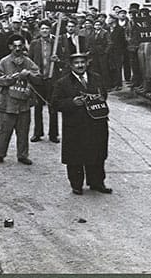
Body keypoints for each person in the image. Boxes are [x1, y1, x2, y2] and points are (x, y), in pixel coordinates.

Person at [52, 52, 112, 195]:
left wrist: (98, 98)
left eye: (82, 62)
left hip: (96, 123)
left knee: (97, 153)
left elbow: (104, 94)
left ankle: (97, 182)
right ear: (71, 65)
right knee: (75, 156)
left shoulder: (96, 78)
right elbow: (55, 103)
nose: (80, 65)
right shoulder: (63, 82)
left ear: (87, 63)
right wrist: (71, 102)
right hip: (75, 125)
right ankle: (76, 184)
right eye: (76, 63)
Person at [0, 34, 41, 166]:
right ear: (10, 47)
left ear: (23, 47)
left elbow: (38, 76)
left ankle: (22, 155)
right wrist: (14, 77)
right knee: (3, 131)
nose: (17, 49)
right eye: (14, 46)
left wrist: (29, 74)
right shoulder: (4, 62)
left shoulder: (28, 62)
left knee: (23, 132)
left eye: (20, 46)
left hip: (23, 104)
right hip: (7, 103)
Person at [28, 20, 60, 143]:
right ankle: (37, 133)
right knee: (38, 107)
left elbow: (64, 59)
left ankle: (53, 134)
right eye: (42, 29)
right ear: (39, 31)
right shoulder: (34, 43)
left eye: (47, 28)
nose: (45, 31)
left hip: (52, 79)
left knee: (53, 106)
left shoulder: (56, 43)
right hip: (39, 79)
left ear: (50, 30)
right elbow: (29, 60)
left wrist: (57, 59)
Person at [86, 19, 111, 89]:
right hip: (94, 53)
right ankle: (98, 85)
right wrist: (90, 50)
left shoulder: (105, 32)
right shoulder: (92, 32)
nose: (97, 26)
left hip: (102, 53)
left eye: (99, 25)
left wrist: (105, 52)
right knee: (95, 69)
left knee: (104, 69)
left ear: (101, 26)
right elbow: (90, 42)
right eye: (96, 25)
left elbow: (109, 43)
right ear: (94, 26)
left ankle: (107, 86)